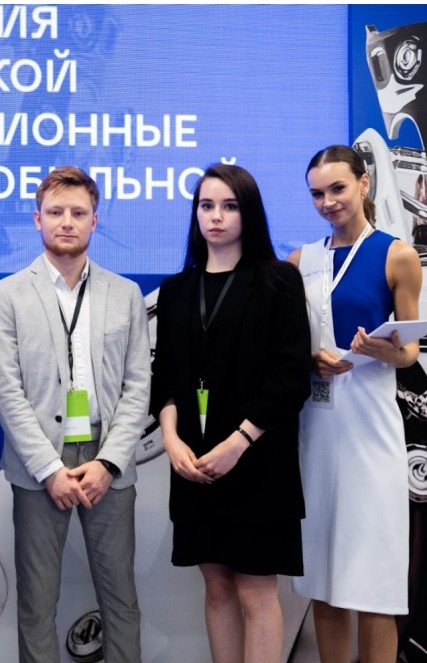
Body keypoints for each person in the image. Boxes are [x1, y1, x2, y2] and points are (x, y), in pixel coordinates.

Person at [0, 166, 151, 663]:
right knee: (37, 604)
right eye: (55, 212)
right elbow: (5, 390)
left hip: (107, 459)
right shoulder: (9, 294)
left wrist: (110, 462)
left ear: (94, 221)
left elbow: (138, 386)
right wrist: (48, 469)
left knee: (121, 599)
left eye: (78, 213)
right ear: (37, 218)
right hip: (38, 463)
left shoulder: (124, 294)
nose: (67, 222)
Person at [150, 164, 310, 663]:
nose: (216, 216)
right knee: (217, 587)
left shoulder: (279, 280)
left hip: (257, 460)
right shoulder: (177, 290)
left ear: (249, 213)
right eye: (206, 206)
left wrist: (238, 443)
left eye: (229, 206)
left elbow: (291, 377)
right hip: (195, 465)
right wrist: (172, 441)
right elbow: (165, 379)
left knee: (256, 593)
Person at [290, 145, 422, 663]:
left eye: (337, 188)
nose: (328, 202)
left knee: (374, 586)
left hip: (371, 431)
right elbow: (285, 344)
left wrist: (382, 351)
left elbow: (409, 351)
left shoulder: (397, 255)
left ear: (364, 184)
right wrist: (307, 358)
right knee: (324, 581)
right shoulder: (300, 261)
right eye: (317, 193)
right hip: (317, 431)